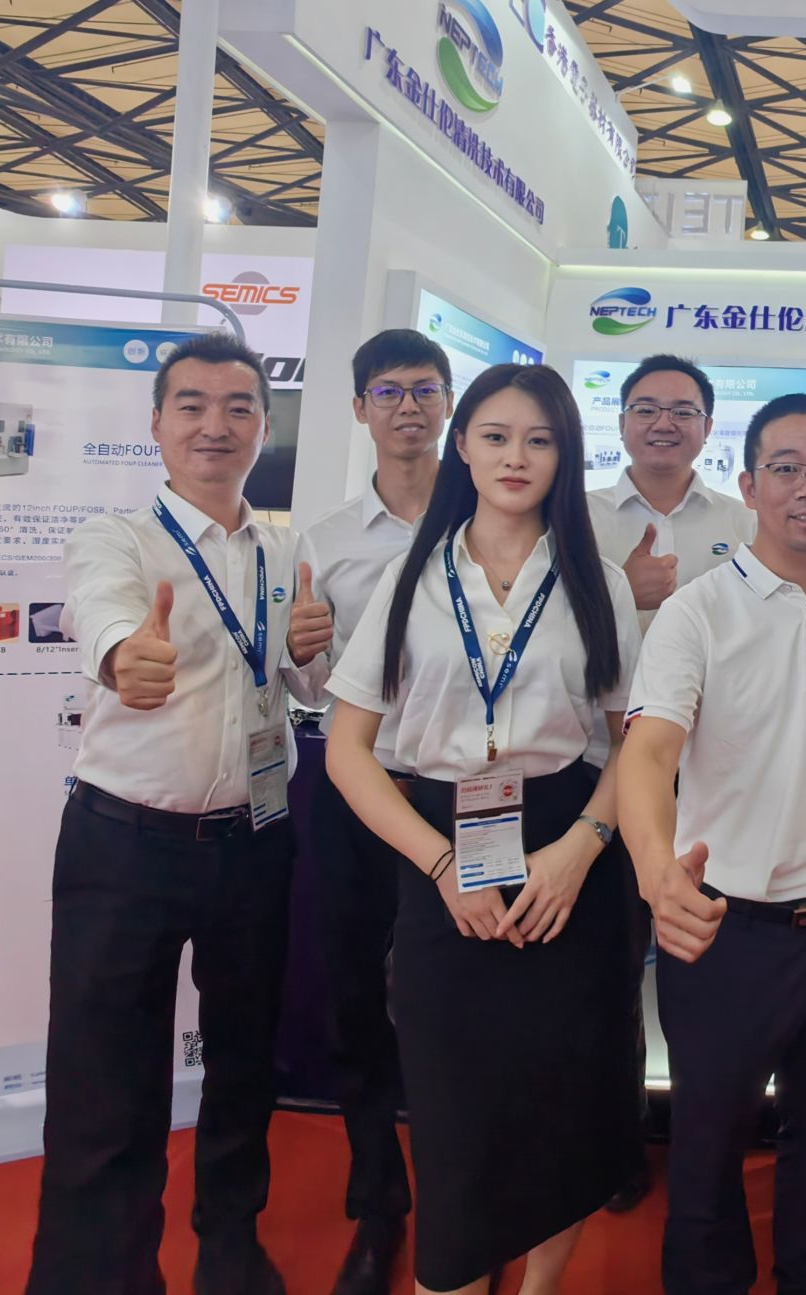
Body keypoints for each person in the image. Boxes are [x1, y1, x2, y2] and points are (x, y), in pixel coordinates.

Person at [324, 363, 641, 1295]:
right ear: (460, 444)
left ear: (566, 455)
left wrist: (580, 848)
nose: (516, 457)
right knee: (456, 1112)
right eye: (496, 436)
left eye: (540, 440)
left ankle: (537, 1286)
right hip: (441, 840)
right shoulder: (412, 577)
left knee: (567, 1102)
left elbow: (637, 745)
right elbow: (348, 750)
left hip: (568, 848)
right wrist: (440, 866)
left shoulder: (598, 581)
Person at [30, 333, 328, 1295]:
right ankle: (97, 1275)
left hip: (255, 839)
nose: (215, 425)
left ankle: (230, 1249)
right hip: (125, 843)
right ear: (156, 423)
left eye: (239, 407)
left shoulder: (286, 548)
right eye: (192, 405)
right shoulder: (116, 537)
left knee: (243, 1062)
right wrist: (127, 655)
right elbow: (102, 609)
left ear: (264, 427)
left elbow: (306, 684)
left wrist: (312, 648)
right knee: (104, 1079)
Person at [616, 393, 806, 1295]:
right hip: (727, 932)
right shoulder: (698, 613)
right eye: (786, 468)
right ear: (749, 486)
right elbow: (649, 752)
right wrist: (655, 873)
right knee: (708, 1146)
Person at [293, 327, 453, 1295]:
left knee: (466, 991)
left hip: (465, 792)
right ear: (359, 409)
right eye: (387, 391)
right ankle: (378, 1197)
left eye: (424, 388)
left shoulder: (492, 518)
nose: (407, 406)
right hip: (360, 786)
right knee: (356, 990)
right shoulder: (324, 541)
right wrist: (300, 650)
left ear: (448, 404)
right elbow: (310, 688)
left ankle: (470, 1189)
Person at [586, 352, 755, 1212]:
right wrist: (624, 588)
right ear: (620, 422)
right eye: (646, 407)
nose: (664, 423)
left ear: (707, 426)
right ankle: (615, 1142)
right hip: (609, 770)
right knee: (614, 967)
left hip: (721, 773)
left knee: (716, 971)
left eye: (683, 409)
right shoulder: (576, 515)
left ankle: (712, 1138)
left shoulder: (742, 518)